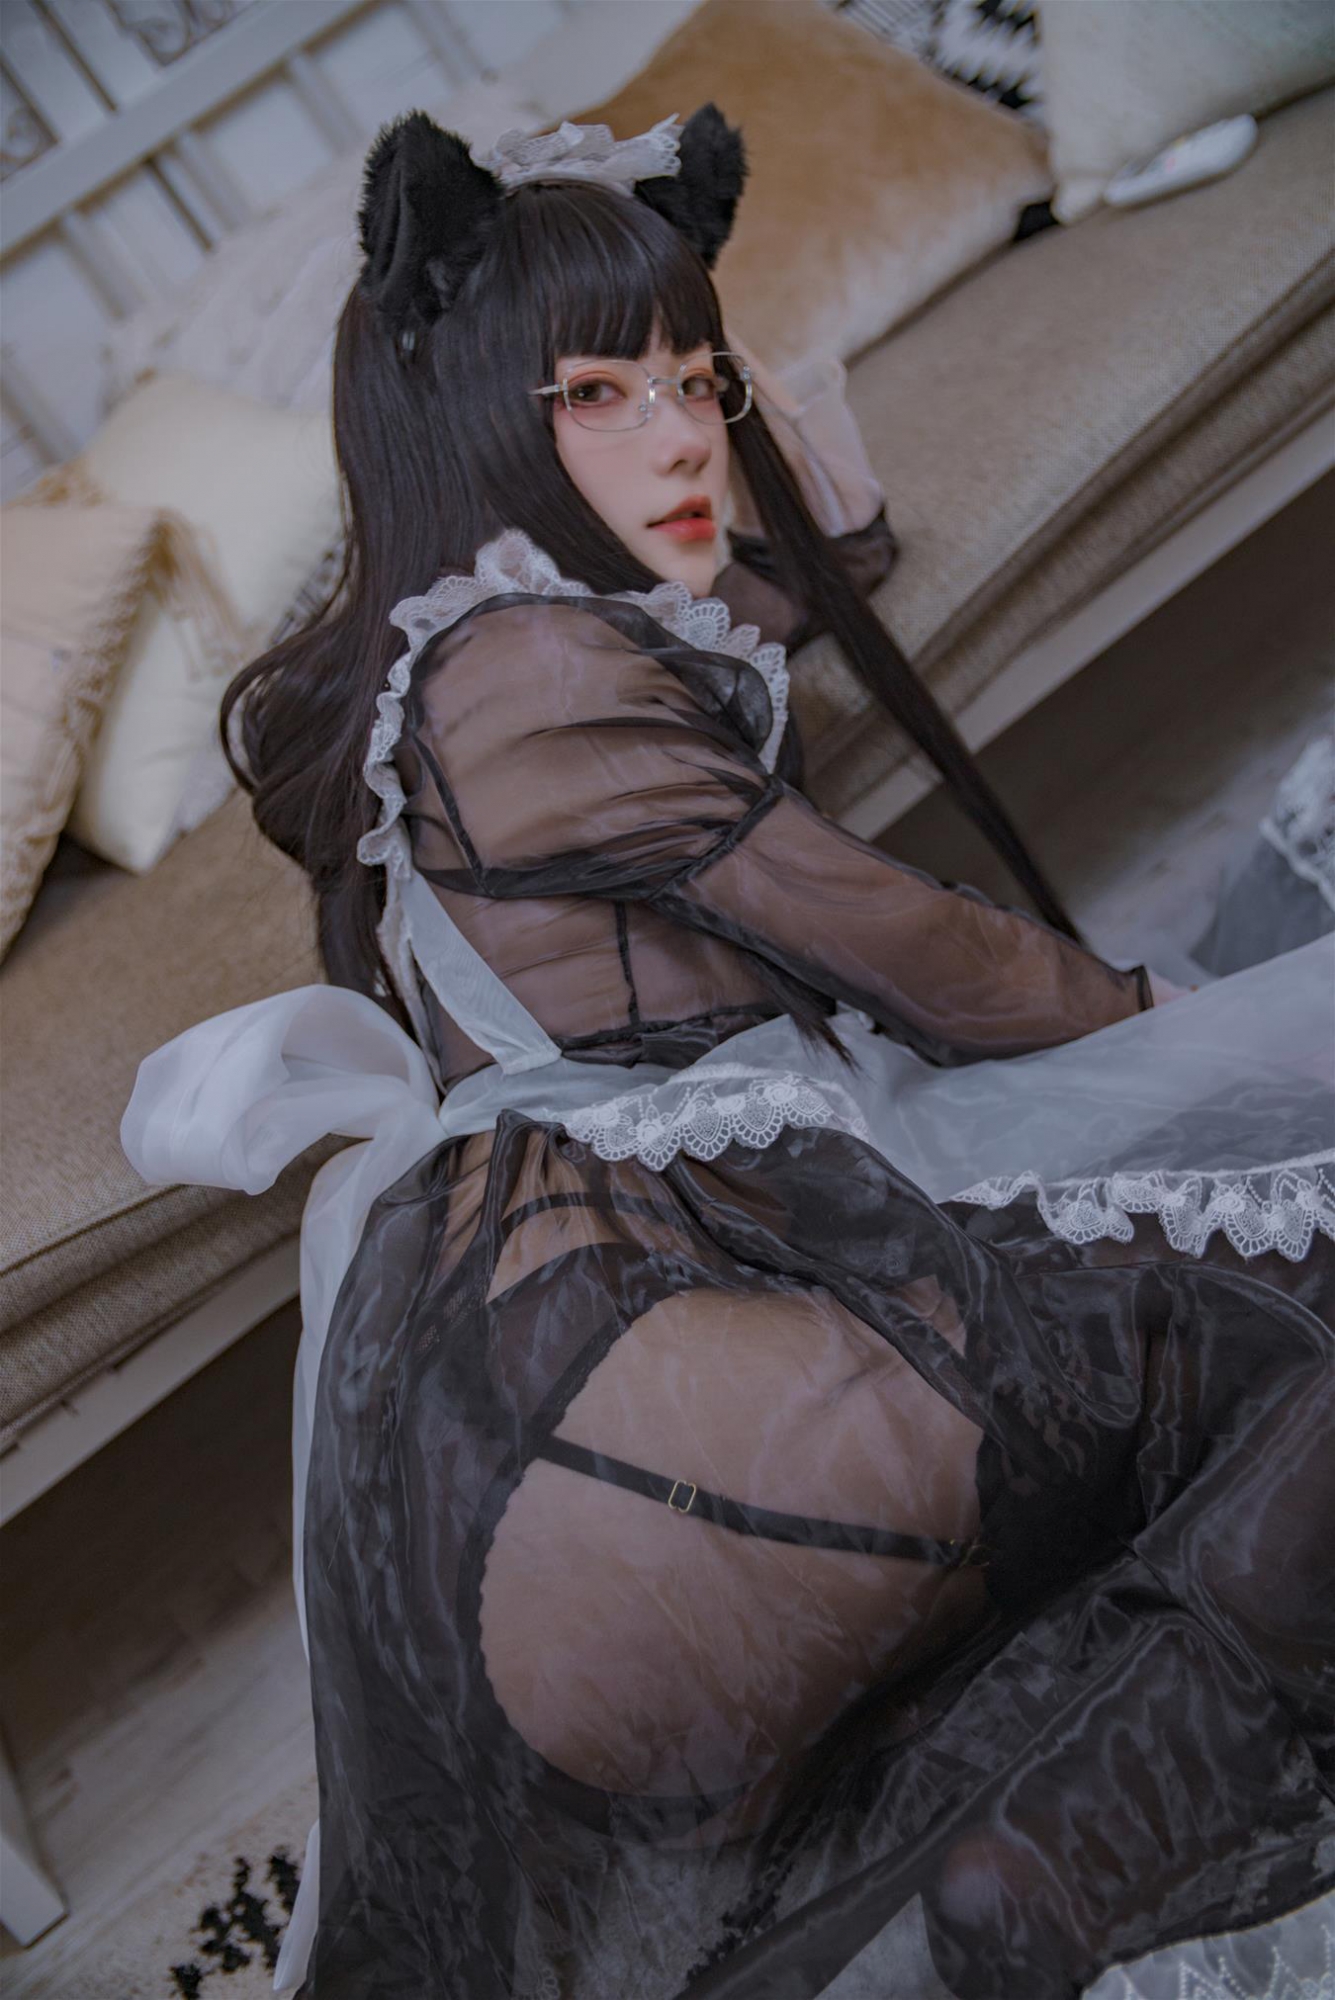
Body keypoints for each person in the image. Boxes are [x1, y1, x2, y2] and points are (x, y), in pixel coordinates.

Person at [121, 106, 1335, 2000]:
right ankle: (1063, 1850)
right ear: (476, 425)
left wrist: (719, 450)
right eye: (601, 394)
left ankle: (987, 1863)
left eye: (698, 379)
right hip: (649, 1398)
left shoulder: (452, 665)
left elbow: (789, 578)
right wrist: (1147, 1018)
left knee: (1164, 1398)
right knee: (1282, 1310)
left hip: (520, 1438)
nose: (687, 433)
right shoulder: (529, 670)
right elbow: (911, 948)